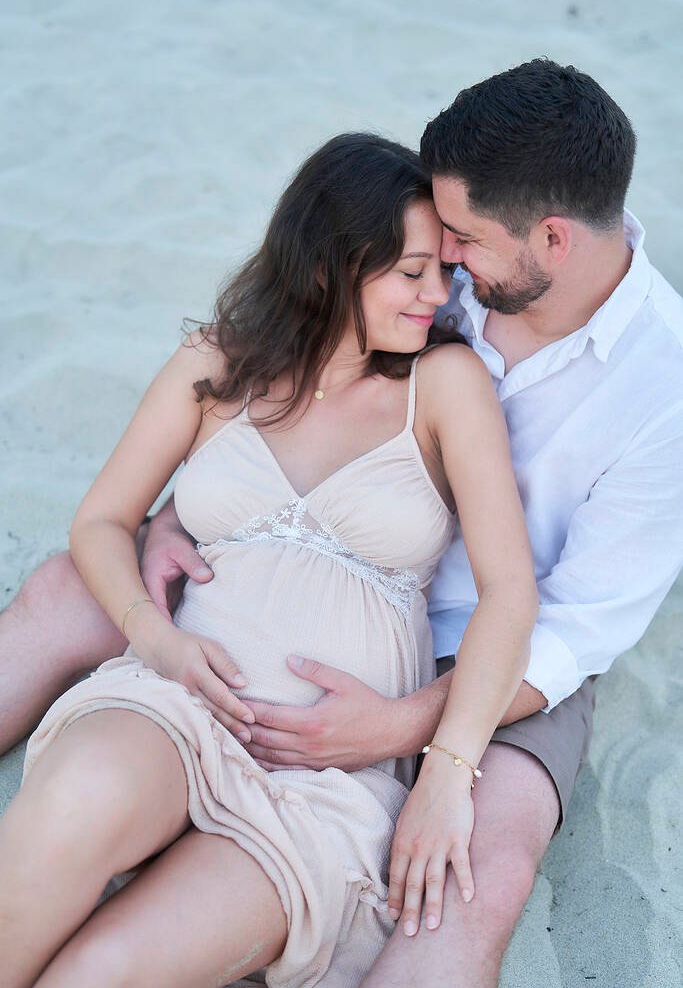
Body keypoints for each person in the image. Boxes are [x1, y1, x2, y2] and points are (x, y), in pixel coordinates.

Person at [2, 58, 682, 986]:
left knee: (475, 869)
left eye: (461, 247)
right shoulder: (443, 272)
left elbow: (565, 619)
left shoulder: (654, 386)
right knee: (61, 618)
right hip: (234, 617)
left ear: (551, 240)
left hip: (498, 665)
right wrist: (178, 514)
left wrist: (423, 742)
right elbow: (281, 372)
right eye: (428, 252)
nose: (446, 277)